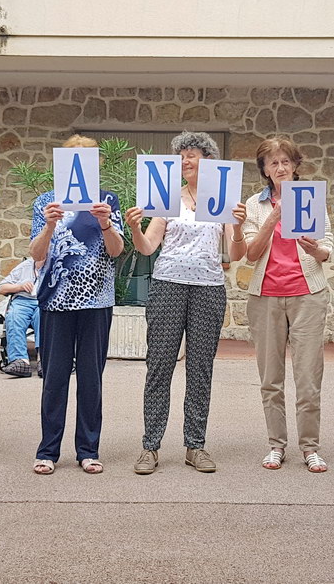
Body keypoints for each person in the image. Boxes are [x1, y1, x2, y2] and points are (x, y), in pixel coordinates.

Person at [125, 131, 247, 475]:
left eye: (194, 154)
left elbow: (236, 254)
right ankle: (151, 446)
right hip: (167, 286)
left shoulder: (220, 201)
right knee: (160, 365)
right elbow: (148, 246)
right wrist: (135, 227)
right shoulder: (168, 199)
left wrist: (237, 227)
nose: (187, 159)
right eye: (182, 155)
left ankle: (196, 445)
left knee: (200, 368)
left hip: (208, 287)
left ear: (208, 161)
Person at [30, 135, 124, 476]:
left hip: (97, 301)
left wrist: (105, 222)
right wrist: (50, 223)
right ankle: (48, 450)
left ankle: (88, 448)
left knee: (91, 378)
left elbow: (116, 250)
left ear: (95, 165)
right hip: (55, 301)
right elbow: (36, 254)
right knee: (53, 378)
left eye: (88, 157)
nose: (81, 162)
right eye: (74, 156)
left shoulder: (108, 200)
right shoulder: (46, 202)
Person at [242, 136, 333, 474]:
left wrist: (314, 249)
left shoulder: (311, 200)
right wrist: (274, 216)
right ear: (265, 170)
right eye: (272, 162)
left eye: (285, 161)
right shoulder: (255, 204)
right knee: (271, 378)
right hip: (265, 295)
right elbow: (251, 253)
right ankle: (276, 445)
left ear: (296, 165)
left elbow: (327, 250)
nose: (279, 167)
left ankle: (310, 447)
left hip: (307, 294)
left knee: (309, 376)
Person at [0, 257, 44, 379]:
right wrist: (20, 287)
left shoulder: (57, 264)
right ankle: (20, 361)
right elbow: (2, 288)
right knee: (14, 316)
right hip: (23, 300)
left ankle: (44, 359)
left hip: (44, 301)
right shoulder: (25, 266)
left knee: (44, 317)